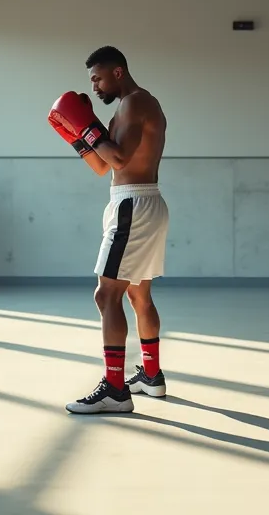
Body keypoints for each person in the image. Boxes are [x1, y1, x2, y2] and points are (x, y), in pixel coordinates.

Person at [66, 46, 170, 415]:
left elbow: (120, 159)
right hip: (140, 202)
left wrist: (88, 128)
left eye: (97, 78)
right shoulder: (133, 107)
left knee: (105, 296)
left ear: (118, 72)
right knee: (139, 297)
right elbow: (102, 166)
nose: (94, 85)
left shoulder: (134, 103)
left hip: (133, 206)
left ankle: (115, 389)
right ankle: (151, 376)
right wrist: (79, 132)